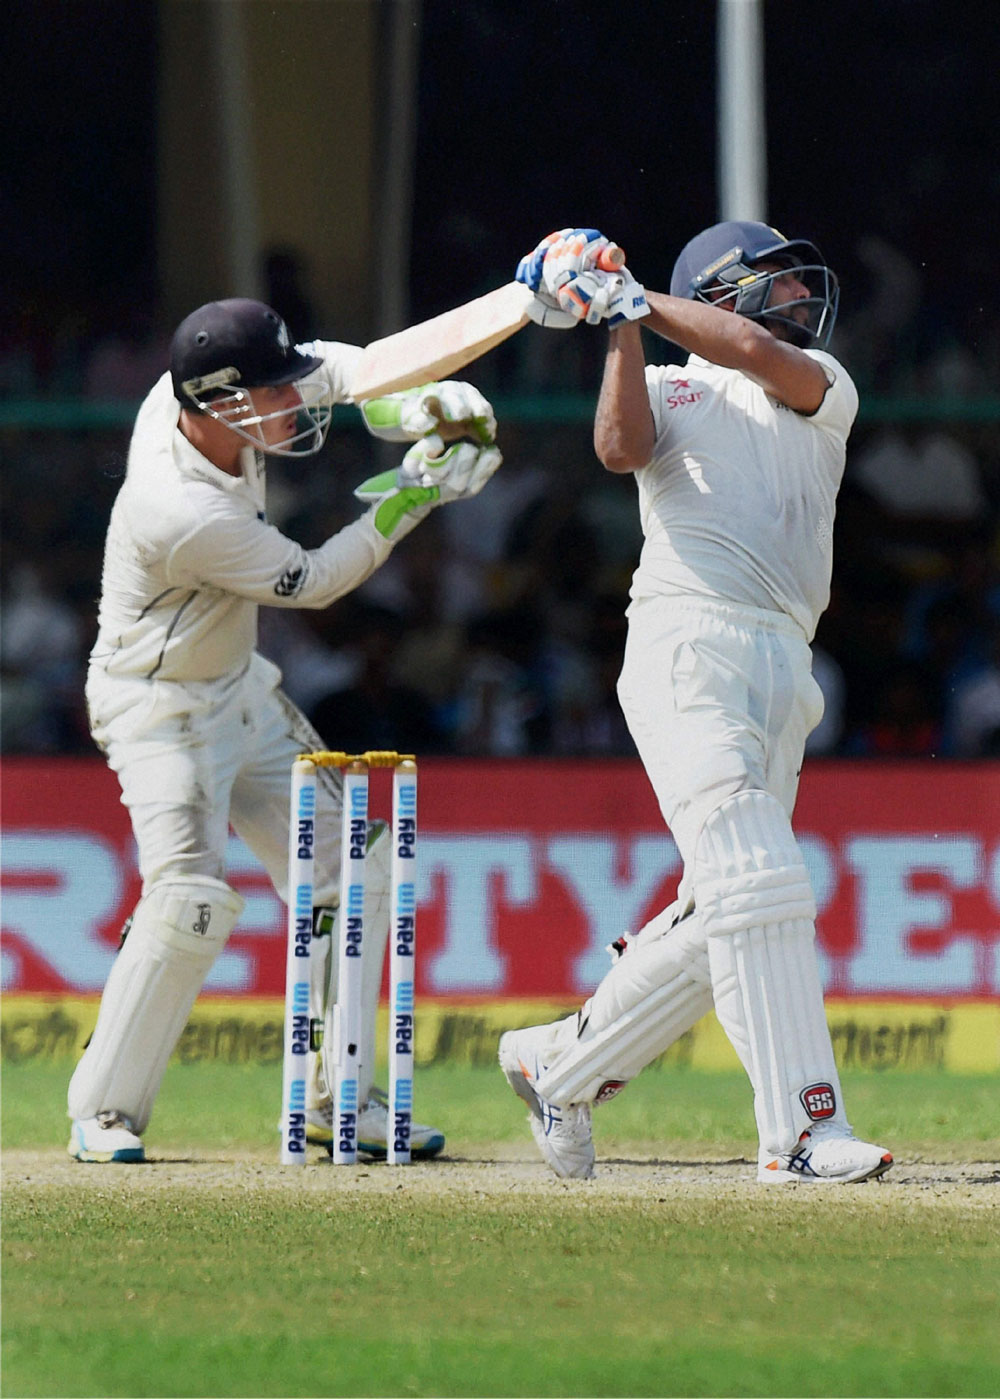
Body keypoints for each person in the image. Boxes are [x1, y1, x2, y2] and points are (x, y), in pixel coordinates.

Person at [498, 224, 893, 1184]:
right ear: (714, 295)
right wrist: (620, 329)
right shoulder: (675, 386)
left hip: (784, 661)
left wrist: (619, 289)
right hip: (687, 642)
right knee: (759, 879)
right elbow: (616, 445)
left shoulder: (819, 384)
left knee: (725, 906)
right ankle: (802, 1133)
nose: (800, 301)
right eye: (776, 284)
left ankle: (560, 1066)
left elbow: (758, 352)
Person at [68, 297, 501, 1163]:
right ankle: (103, 1110)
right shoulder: (182, 508)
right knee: (189, 898)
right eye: (272, 392)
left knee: (361, 860)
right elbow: (319, 577)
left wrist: (413, 409)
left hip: (239, 688)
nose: (291, 403)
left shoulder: (200, 396)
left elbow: (344, 375)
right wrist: (416, 489)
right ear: (221, 405)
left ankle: (340, 1096)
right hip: (158, 710)